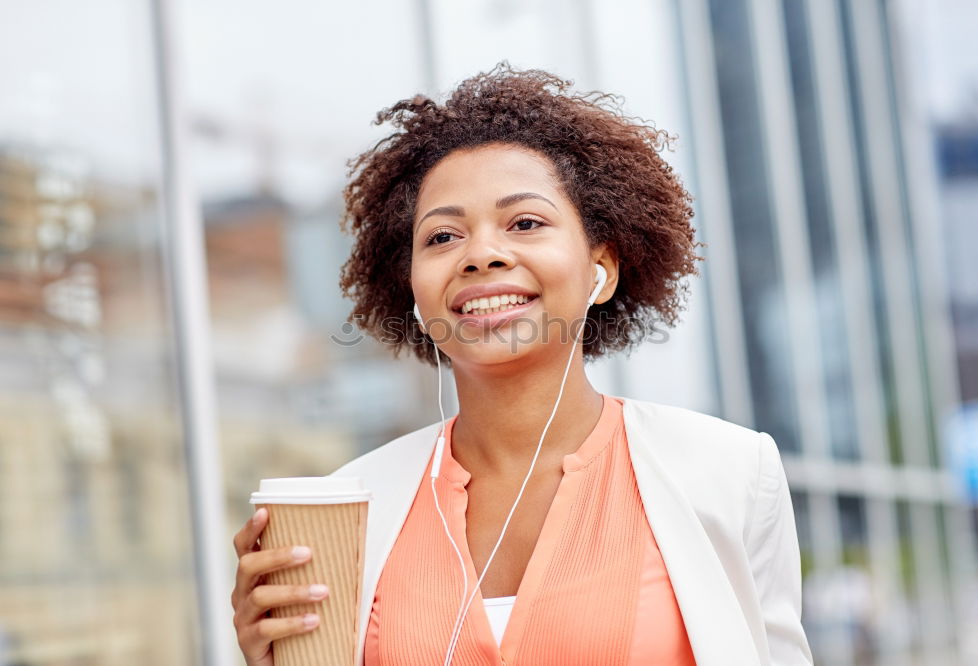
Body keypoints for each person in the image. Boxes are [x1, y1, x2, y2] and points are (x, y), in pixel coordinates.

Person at [231, 61, 814, 666]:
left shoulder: (730, 474)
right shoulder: (352, 505)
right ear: (411, 288)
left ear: (602, 269)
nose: (481, 254)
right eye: (441, 237)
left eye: (525, 223)